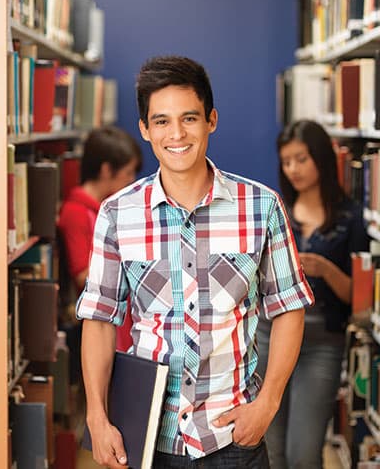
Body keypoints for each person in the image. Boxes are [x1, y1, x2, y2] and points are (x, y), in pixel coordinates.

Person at [76, 55, 314, 469]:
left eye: (189, 118)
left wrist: (268, 403)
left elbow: (290, 307)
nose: (177, 134)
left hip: (233, 437)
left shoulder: (261, 207)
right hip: (147, 440)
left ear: (211, 120)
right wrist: (97, 417)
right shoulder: (117, 214)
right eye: (162, 121)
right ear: (145, 130)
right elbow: (99, 320)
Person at [256, 119, 370, 469]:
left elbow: (359, 297)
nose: (294, 169)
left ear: (321, 158)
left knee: (303, 454)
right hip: (268, 336)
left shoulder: (350, 218)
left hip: (322, 343)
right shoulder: (275, 210)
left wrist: (324, 269)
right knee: (268, 450)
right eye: (286, 161)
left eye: (302, 159)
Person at [58, 125, 142, 354]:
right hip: (103, 325)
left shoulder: (109, 208)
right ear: (106, 170)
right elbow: (83, 275)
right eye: (128, 173)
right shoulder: (76, 212)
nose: (132, 180)